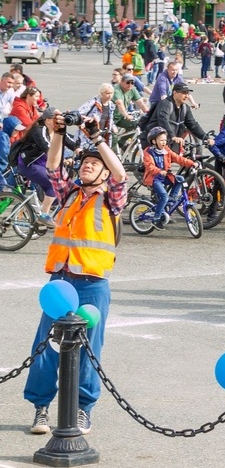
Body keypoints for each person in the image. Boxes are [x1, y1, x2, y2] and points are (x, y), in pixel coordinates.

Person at [25, 113, 127, 436]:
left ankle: (83, 410)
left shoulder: (111, 198)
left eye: (94, 164)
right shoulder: (69, 192)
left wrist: (97, 138)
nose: (87, 166)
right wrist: (59, 131)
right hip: (61, 282)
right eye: (84, 162)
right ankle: (41, 408)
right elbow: (54, 168)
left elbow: (121, 175)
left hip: (93, 285)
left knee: (90, 349)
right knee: (45, 345)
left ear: (104, 173)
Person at [140, 127, 196, 227]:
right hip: (154, 178)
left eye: (165, 140)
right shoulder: (148, 152)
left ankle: (172, 199)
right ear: (154, 141)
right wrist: (160, 171)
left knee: (180, 179)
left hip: (164, 176)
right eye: (161, 140)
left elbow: (178, 158)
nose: (164, 142)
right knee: (164, 196)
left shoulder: (166, 150)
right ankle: (156, 219)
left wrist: (192, 163)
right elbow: (150, 166)